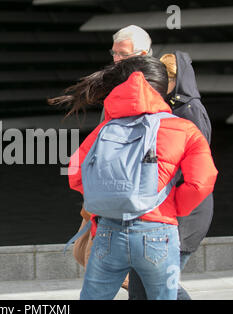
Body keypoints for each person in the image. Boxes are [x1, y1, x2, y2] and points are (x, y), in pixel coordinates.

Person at [49, 56, 218, 300]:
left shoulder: (104, 129)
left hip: (108, 232)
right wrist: (172, 206)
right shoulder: (184, 129)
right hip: (158, 233)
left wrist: (108, 197)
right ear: (162, 89)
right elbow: (201, 182)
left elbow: (75, 172)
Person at [127, 51, 214, 300]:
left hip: (185, 214)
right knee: (145, 283)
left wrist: (174, 208)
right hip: (167, 212)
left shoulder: (190, 110)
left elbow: (197, 172)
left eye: (165, 79)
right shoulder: (172, 109)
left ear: (177, 80)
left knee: (161, 284)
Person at [73, 25, 154, 290]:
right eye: (114, 53)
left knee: (111, 275)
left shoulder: (150, 90)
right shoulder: (117, 86)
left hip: (133, 199)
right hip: (110, 193)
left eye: (123, 54)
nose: (116, 59)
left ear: (143, 54)